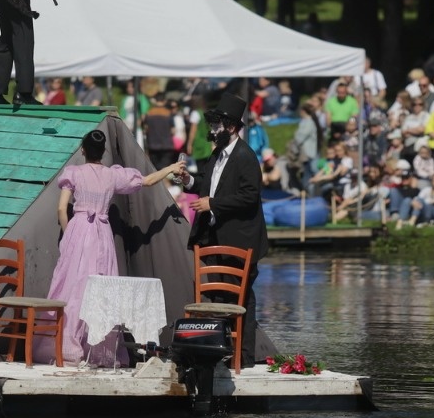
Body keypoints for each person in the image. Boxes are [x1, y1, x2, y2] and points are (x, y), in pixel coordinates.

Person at [37, 129, 185, 367]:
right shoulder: (111, 176)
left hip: (79, 231)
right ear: (104, 152)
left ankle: (66, 346)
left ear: (83, 150)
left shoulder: (73, 173)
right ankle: (97, 349)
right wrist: (170, 169)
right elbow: (146, 181)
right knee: (101, 286)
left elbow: (61, 209)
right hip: (102, 235)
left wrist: (69, 234)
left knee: (73, 286)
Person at [177, 93, 269, 368]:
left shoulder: (245, 156)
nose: (213, 130)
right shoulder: (218, 153)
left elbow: (250, 195)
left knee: (241, 298)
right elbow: (207, 182)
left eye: (218, 124)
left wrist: (214, 203)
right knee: (216, 296)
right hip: (215, 236)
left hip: (241, 239)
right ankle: (220, 351)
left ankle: (245, 358)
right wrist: (189, 179)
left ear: (231, 127)